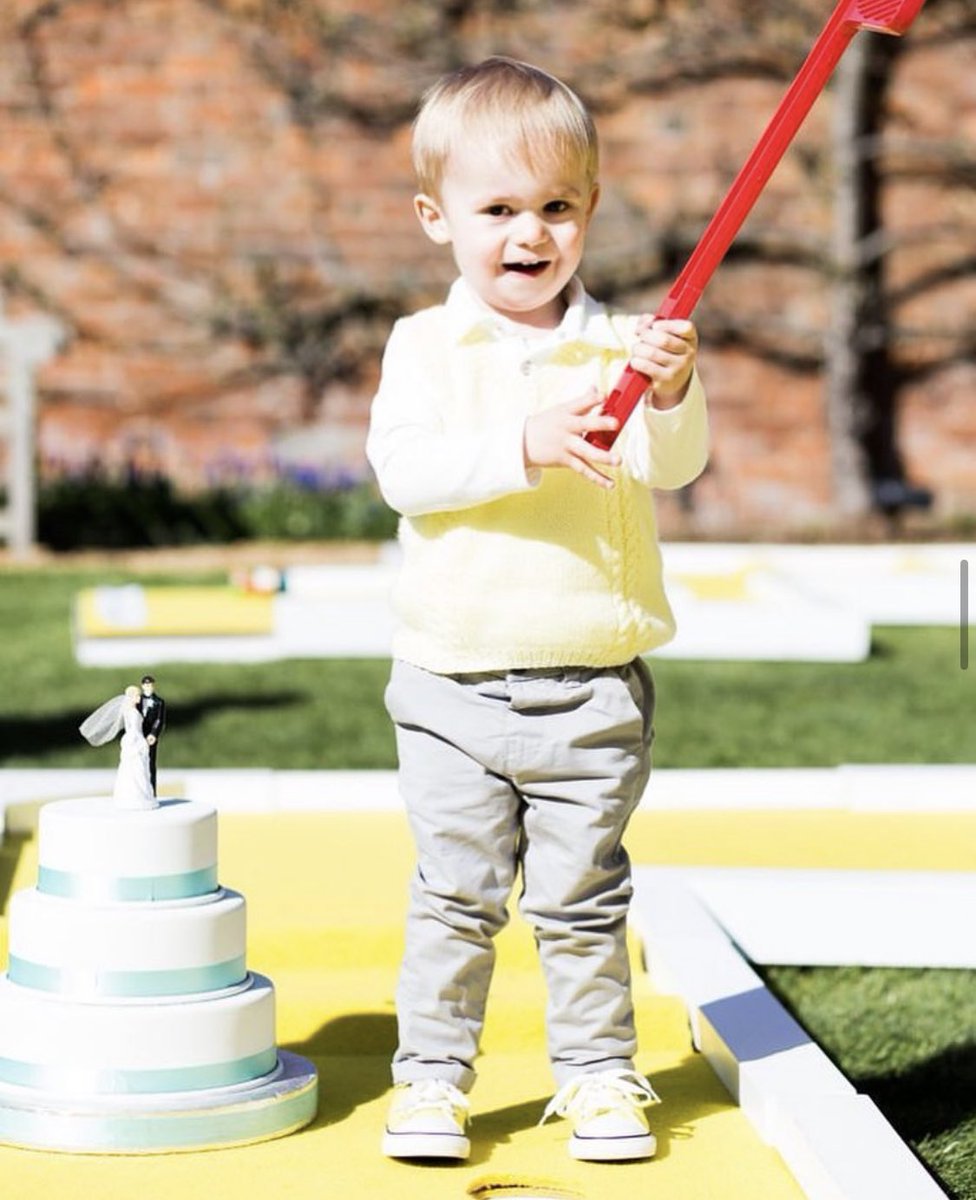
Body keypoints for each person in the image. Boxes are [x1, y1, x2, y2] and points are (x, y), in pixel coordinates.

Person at [366, 56, 708, 1165]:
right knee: (455, 900)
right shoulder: (425, 346)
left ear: (588, 210)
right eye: (499, 208)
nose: (531, 232)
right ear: (437, 217)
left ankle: (600, 1078)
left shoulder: (619, 345)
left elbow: (677, 463)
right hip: (450, 681)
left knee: (582, 903)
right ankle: (429, 1082)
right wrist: (522, 442)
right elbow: (404, 473)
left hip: (591, 681)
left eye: (557, 207)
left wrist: (668, 389)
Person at [79, 685, 157, 811]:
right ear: (131, 697)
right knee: (136, 768)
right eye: (137, 695)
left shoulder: (129, 711)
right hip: (134, 740)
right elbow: (133, 729)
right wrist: (140, 742)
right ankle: (137, 797)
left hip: (133, 739)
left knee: (134, 768)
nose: (139, 697)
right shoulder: (132, 713)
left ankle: (135, 796)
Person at [138, 674, 166, 794]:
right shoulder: (137, 700)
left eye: (150, 684)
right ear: (142, 686)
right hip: (138, 734)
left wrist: (154, 734)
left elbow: (159, 719)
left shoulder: (159, 702)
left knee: (150, 764)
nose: (148, 686)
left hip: (150, 736)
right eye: (146, 684)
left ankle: (152, 792)